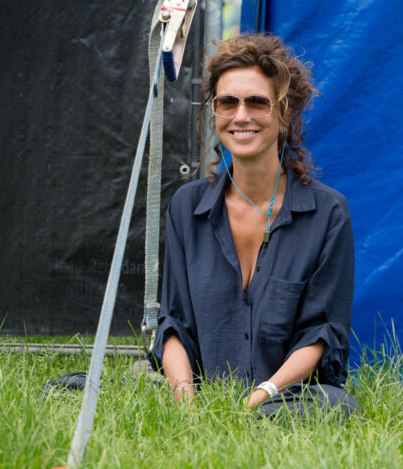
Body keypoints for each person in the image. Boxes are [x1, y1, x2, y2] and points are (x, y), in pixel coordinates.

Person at [150, 34, 356, 418]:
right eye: (227, 102)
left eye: (258, 102)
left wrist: (255, 402)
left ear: (285, 113)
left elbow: (321, 335)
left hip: (284, 399)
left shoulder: (329, 213)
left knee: (336, 406)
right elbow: (174, 325)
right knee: (71, 387)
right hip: (199, 396)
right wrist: (187, 409)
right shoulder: (187, 207)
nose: (241, 116)